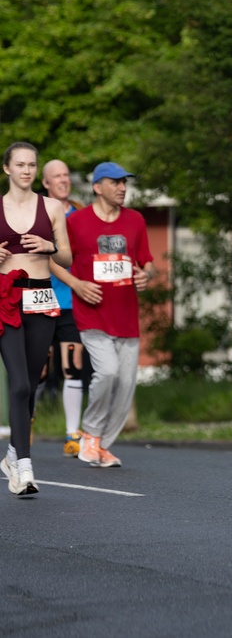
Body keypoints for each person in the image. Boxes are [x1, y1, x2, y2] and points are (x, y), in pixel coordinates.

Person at [67, 162, 154, 469]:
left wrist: (146, 275)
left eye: (124, 182)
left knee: (126, 383)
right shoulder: (76, 222)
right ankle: (90, 433)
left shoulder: (135, 220)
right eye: (115, 182)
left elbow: (147, 262)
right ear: (97, 187)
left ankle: (100, 445)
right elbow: (53, 260)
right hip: (92, 314)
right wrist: (76, 284)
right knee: (108, 372)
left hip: (126, 317)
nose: (122, 188)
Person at [0, 142, 72, 495]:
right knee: (19, 385)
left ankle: (13, 452)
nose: (27, 170)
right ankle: (24, 468)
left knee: (30, 382)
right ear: (7, 169)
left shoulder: (53, 207)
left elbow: (69, 257)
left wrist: (49, 247)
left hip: (42, 296)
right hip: (7, 299)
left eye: (32, 165)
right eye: (20, 164)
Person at [41, 159, 89, 457]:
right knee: (40, 369)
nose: (63, 180)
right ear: (45, 183)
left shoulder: (82, 215)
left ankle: (73, 433)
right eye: (56, 176)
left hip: (73, 301)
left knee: (73, 366)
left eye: (66, 175)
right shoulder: (35, 214)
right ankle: (27, 423)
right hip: (40, 299)